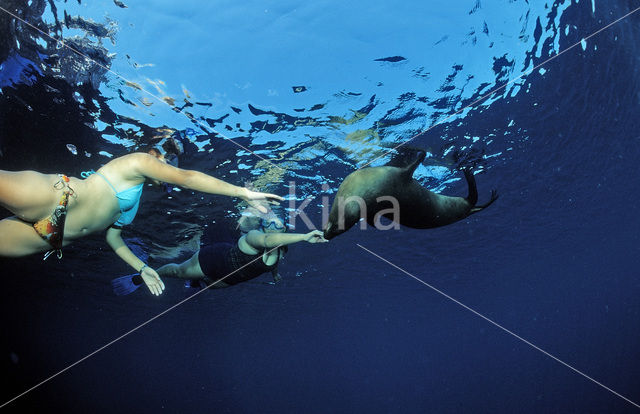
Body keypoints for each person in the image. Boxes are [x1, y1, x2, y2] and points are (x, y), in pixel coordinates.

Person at [0, 135, 283, 295]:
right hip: (57, 196)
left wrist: (142, 267)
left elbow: (114, 238)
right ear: (158, 154)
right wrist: (241, 193)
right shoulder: (137, 162)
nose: (172, 168)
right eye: (172, 159)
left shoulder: (133, 203)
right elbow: (185, 178)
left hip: (49, 237)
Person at [111, 210, 327, 295]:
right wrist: (305, 236)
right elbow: (268, 241)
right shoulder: (254, 236)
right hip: (214, 259)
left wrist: (275, 274)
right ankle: (143, 275)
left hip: (229, 276)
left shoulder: (282, 246)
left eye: (279, 223)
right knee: (178, 272)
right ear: (263, 227)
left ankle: (197, 281)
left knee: (211, 286)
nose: (276, 226)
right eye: (271, 223)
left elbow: (277, 250)